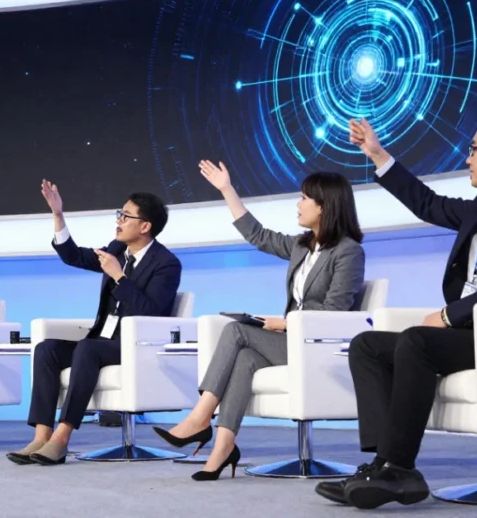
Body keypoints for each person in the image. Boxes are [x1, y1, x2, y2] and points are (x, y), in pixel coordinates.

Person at [315, 112, 477, 509]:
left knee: (418, 341)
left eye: (475, 149)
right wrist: (378, 154)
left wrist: (452, 314)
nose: (468, 158)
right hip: (475, 333)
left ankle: (399, 468)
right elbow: (427, 204)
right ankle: (383, 463)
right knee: (368, 345)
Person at [153, 161, 366, 480]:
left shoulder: (349, 252)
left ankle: (200, 418)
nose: (298, 204)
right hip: (293, 342)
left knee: (237, 331)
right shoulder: (301, 246)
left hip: (316, 347)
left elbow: (334, 313)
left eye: (304, 198)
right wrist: (227, 189)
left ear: (325, 206)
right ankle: (223, 447)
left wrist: (286, 324)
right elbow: (258, 235)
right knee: (247, 358)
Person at [6, 181, 182, 466]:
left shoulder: (166, 264)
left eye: (126, 216)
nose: (118, 221)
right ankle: (42, 436)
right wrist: (58, 215)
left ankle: (62, 439)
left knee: (88, 349)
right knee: (47, 349)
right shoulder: (117, 249)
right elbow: (73, 256)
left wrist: (119, 277)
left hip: (135, 345)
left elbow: (151, 311)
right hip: (102, 341)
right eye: (119, 214)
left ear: (145, 226)